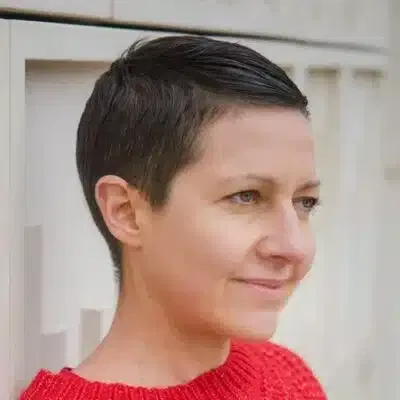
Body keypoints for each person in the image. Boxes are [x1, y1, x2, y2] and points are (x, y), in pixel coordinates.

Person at [20, 35, 326, 399]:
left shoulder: (286, 376)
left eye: (304, 202)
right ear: (126, 212)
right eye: (246, 197)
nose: (294, 247)